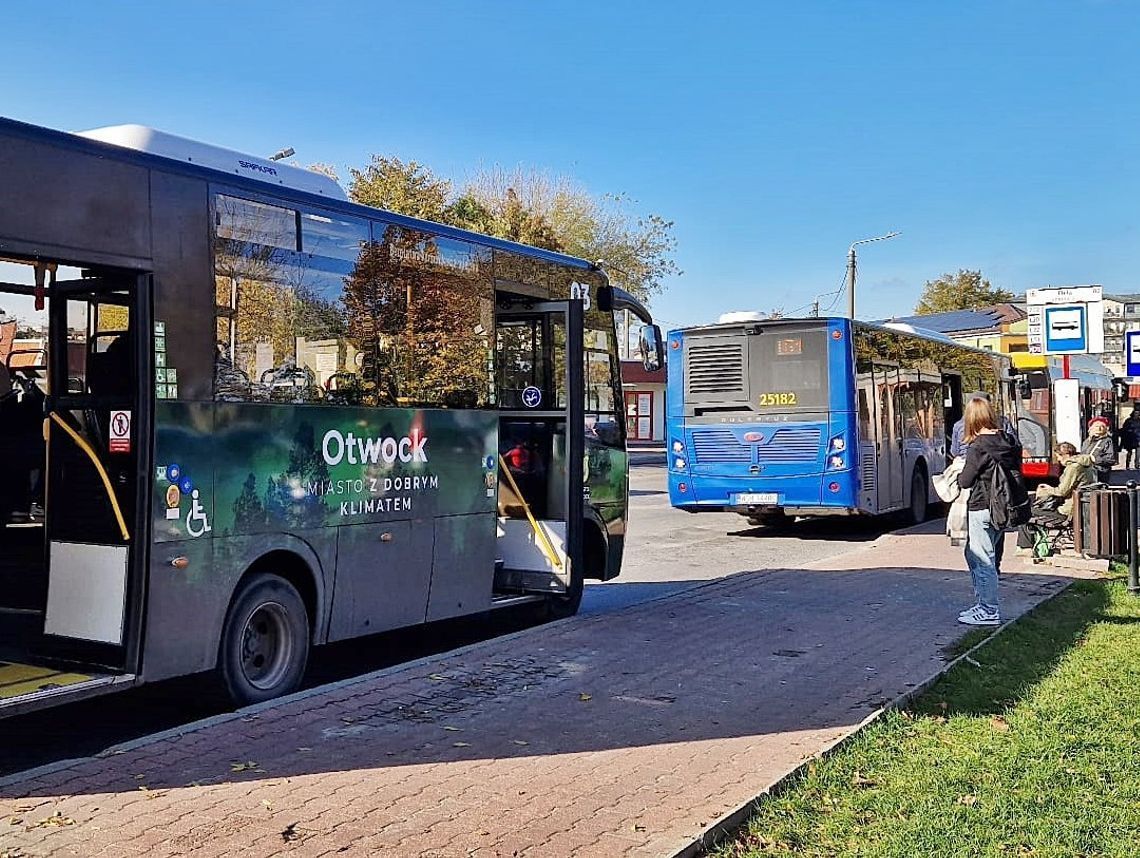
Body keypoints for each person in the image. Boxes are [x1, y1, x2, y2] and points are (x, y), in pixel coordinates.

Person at [957, 397, 1023, 626]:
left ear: (971, 419)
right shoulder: (1010, 441)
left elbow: (965, 481)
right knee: (977, 554)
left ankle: (988, 608)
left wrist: (956, 474)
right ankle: (983, 603)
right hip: (1004, 507)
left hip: (982, 506)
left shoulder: (977, 447)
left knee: (982, 558)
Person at [1016, 442, 1093, 550]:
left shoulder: (1074, 468)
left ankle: (1025, 547)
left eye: (1058, 456)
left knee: (1024, 512)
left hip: (1066, 512)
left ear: (1065, 455)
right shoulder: (1084, 465)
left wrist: (1047, 489)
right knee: (1032, 504)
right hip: (1077, 508)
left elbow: (1062, 491)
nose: (1058, 460)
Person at [950, 391, 1019, 459]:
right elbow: (1015, 445)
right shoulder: (1003, 422)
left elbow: (955, 452)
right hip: (998, 463)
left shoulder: (959, 425)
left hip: (966, 462)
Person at [1081, 416, 1116, 484]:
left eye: (1102, 426)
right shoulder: (1086, 442)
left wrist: (1095, 459)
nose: (1099, 428)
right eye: (1096, 426)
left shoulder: (1107, 441)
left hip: (1100, 473)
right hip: (1086, 473)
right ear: (1091, 428)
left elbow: (1110, 459)